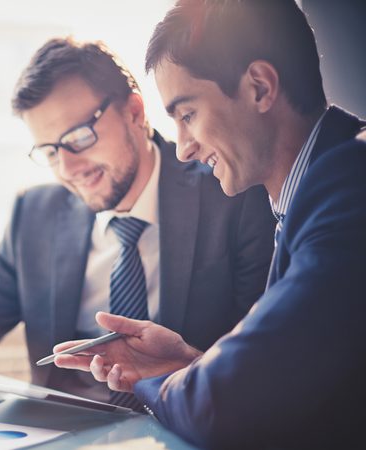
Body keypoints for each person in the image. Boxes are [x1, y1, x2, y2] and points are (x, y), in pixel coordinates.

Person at [52, 1, 366, 448]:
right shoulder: (315, 190)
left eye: (187, 115)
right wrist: (188, 363)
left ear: (259, 87)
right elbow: (285, 387)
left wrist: (157, 380)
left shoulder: (350, 186)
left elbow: (221, 404)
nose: (182, 149)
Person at [0, 37, 275, 410]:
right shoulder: (35, 213)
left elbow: (260, 361)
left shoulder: (232, 194)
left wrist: (190, 363)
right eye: (49, 151)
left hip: (181, 427)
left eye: (79, 137)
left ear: (134, 111)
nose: (68, 168)